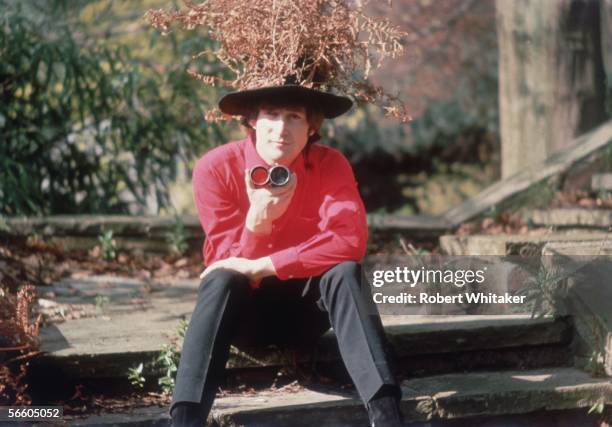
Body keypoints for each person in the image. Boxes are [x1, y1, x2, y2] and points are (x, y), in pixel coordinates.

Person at [169, 82, 404, 427]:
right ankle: (185, 420)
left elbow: (349, 240)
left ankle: (387, 416)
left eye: (293, 117)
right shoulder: (215, 168)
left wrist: (265, 264)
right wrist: (257, 223)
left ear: (312, 127)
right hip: (243, 316)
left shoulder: (330, 164)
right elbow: (223, 262)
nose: (281, 129)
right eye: (271, 115)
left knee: (345, 272)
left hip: (308, 312)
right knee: (220, 280)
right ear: (252, 120)